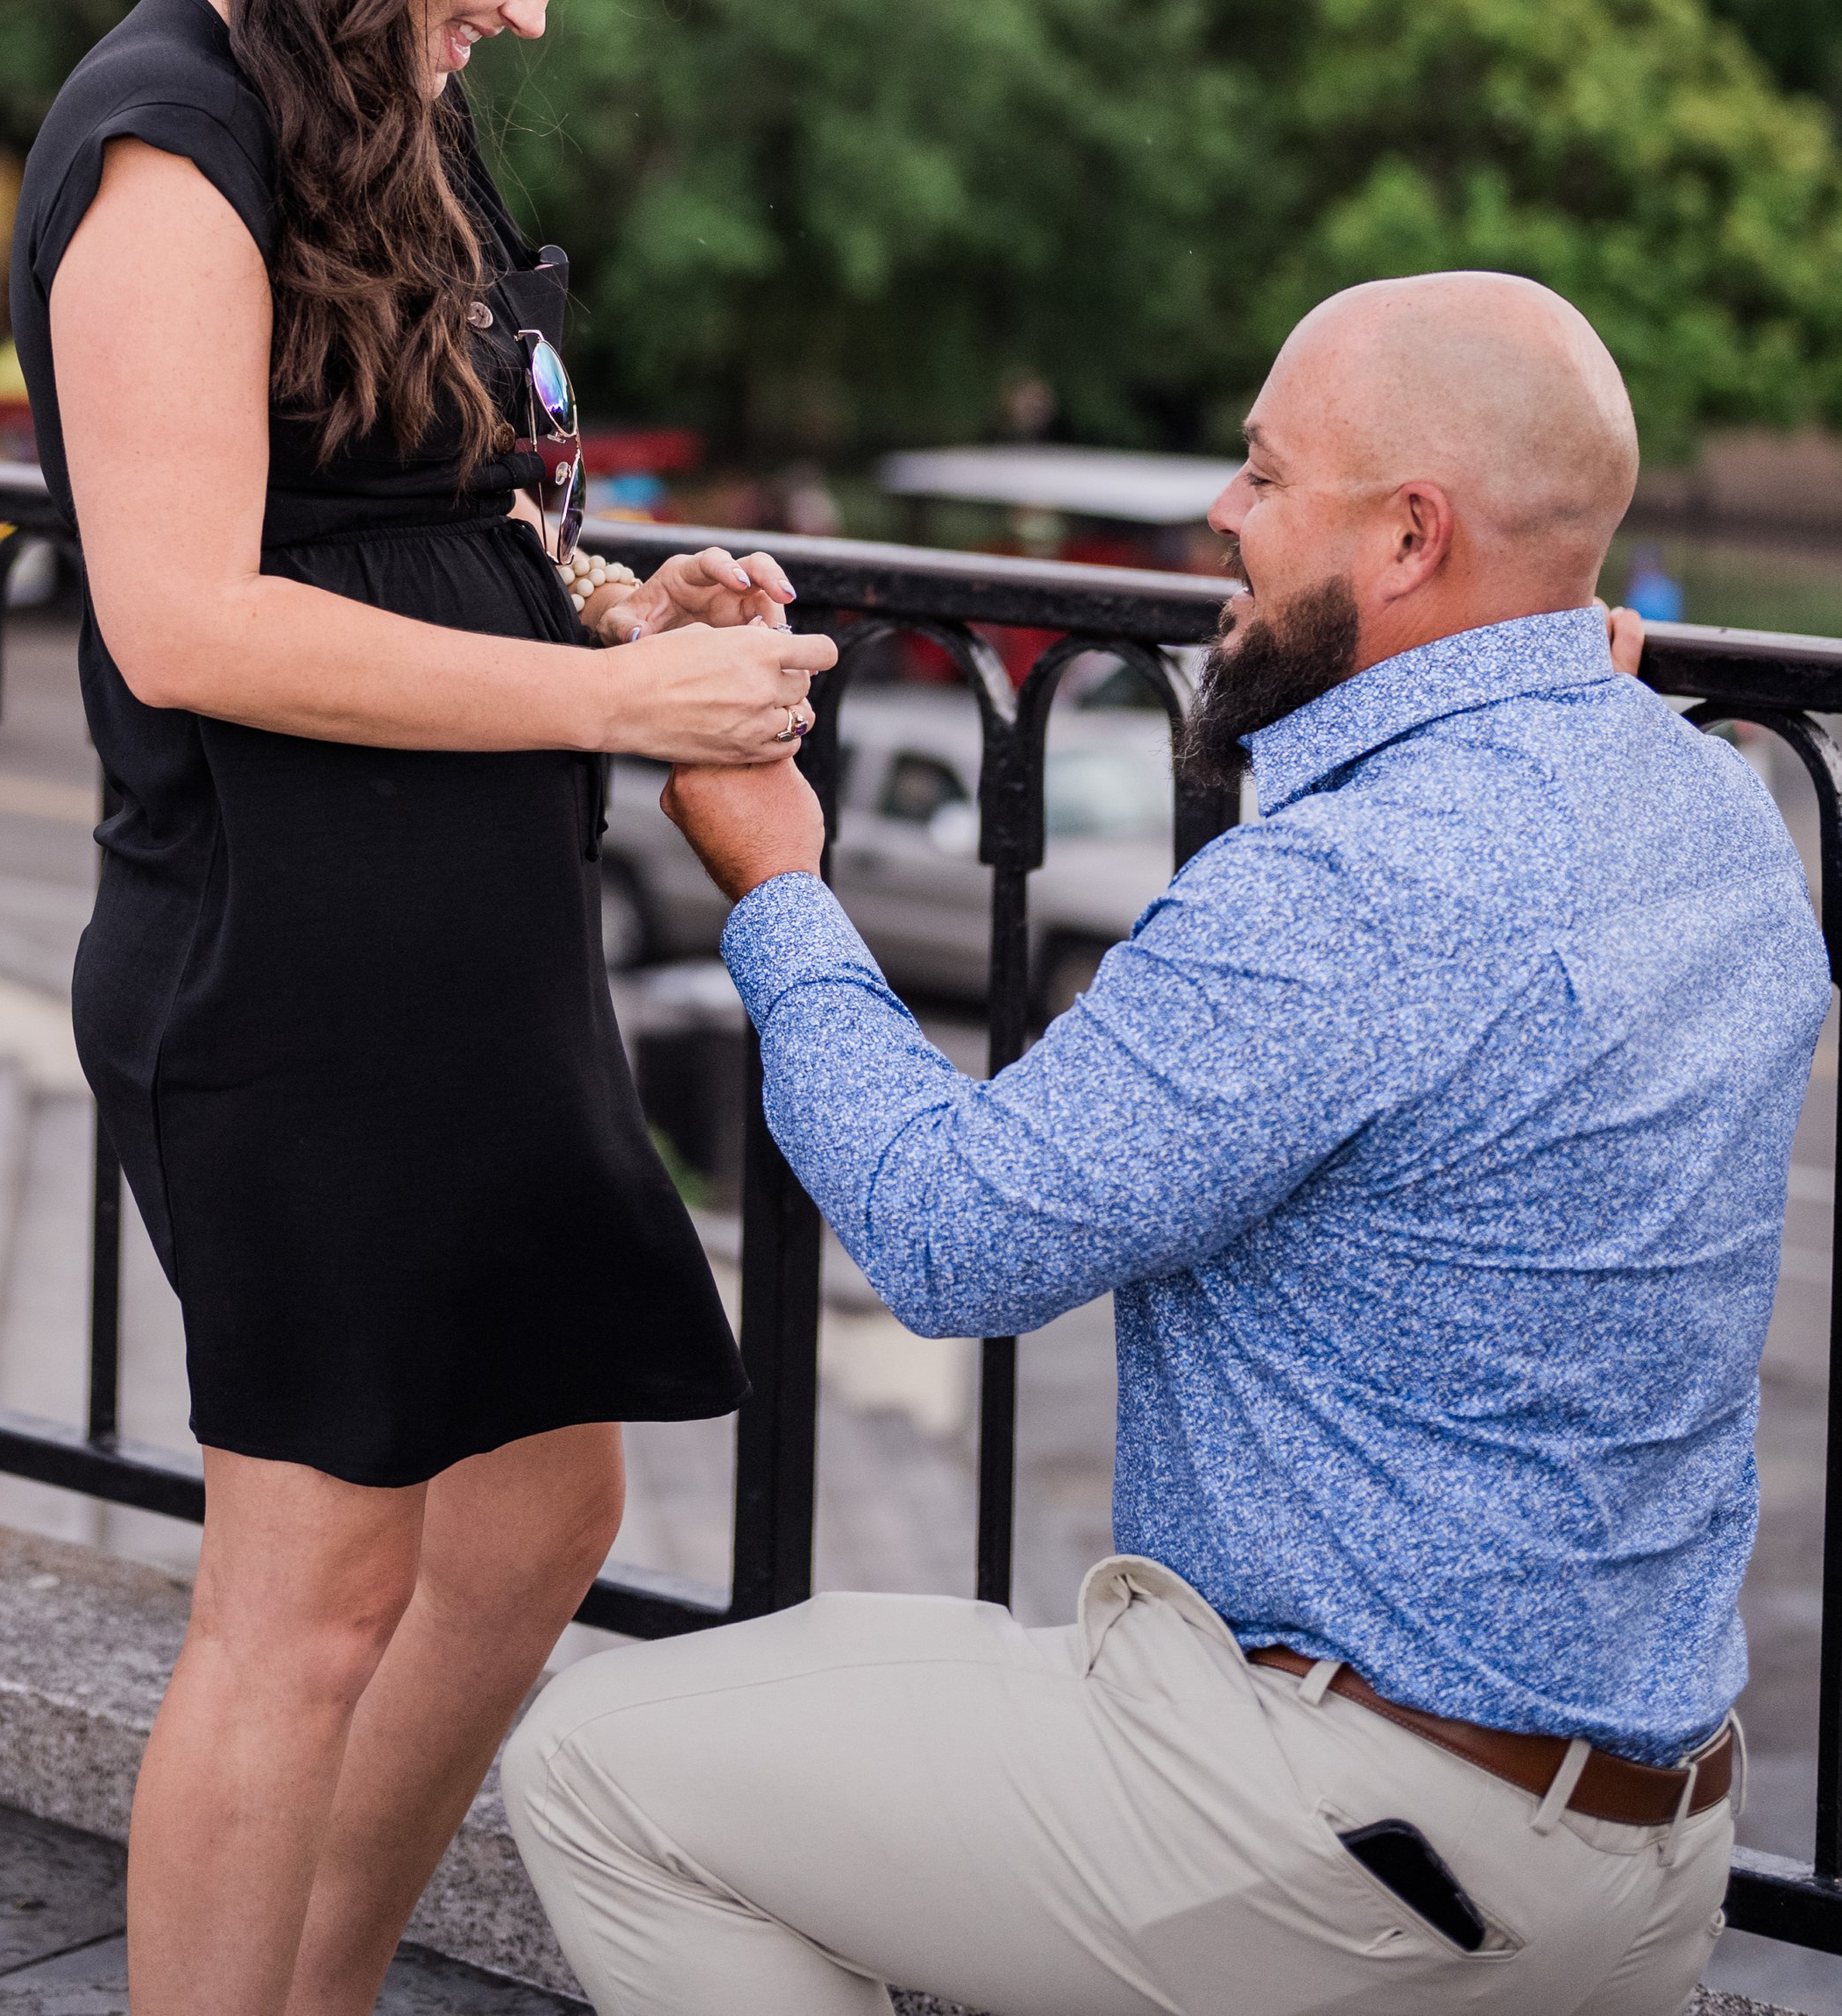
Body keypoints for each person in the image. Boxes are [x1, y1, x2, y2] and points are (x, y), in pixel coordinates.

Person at [504, 271, 1828, 2016]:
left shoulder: (1346, 890)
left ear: (1411, 536)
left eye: (1267, 479)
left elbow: (954, 1237)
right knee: (837, 1672)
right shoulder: (1706, 802)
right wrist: (1541, 659)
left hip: (1350, 1834)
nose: (1221, 512)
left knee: (595, 1766)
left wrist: (775, 880)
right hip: (1646, 1855)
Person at [6, 0, 836, 2016]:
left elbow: (394, 506)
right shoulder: (169, 137)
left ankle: (318, 1985)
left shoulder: (376, 81)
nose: (543, 13)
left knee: (539, 1515)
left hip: (464, 963)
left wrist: (609, 603)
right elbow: (190, 623)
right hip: (287, 968)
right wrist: (616, 710)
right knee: (303, 1606)